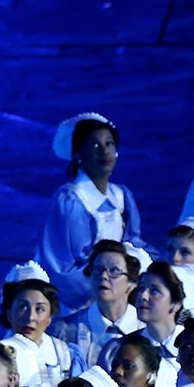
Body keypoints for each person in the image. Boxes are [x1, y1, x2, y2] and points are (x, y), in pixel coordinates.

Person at [35, 113, 142, 311]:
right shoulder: (70, 200)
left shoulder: (121, 196)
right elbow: (61, 267)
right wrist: (106, 288)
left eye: (109, 144)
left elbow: (133, 244)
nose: (104, 151)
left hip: (113, 296)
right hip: (78, 305)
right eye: (94, 145)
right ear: (78, 155)